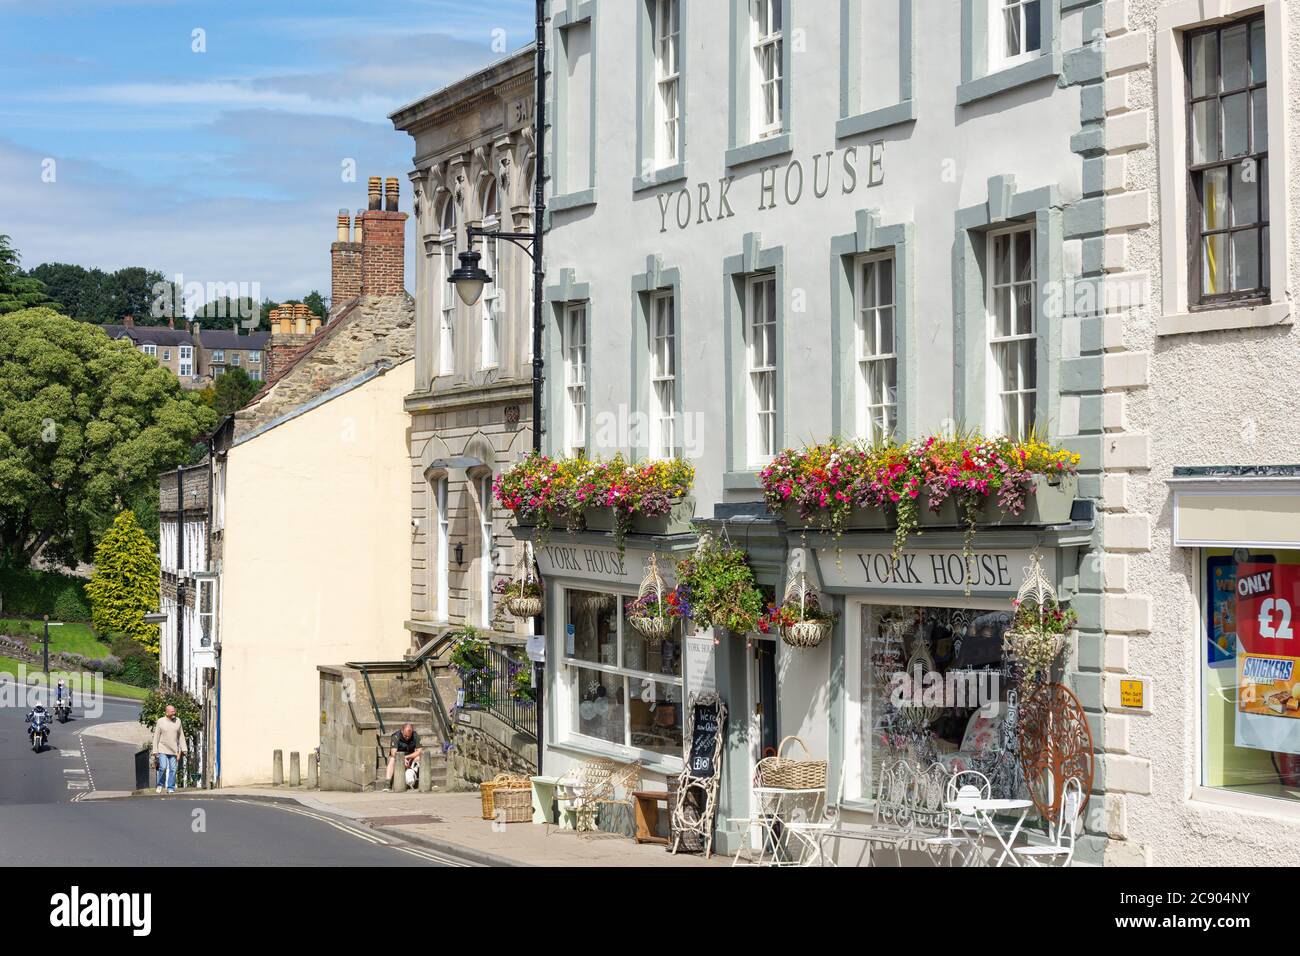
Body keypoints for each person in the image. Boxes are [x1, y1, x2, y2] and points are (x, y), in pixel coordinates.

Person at [152, 704, 187, 794]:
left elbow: (181, 735)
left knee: (173, 769)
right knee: (163, 767)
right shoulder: (160, 721)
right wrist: (155, 750)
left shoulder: (178, 721)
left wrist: (184, 748)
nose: (173, 712)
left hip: (174, 750)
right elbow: (156, 736)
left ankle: (170, 787)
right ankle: (160, 784)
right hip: (162, 748)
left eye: (174, 710)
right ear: (166, 712)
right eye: (171, 711)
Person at [384, 723, 422, 791]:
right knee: (392, 759)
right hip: (397, 758)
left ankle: (411, 778)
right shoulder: (396, 736)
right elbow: (393, 753)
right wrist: (402, 759)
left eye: (409, 736)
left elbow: (419, 751)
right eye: (405, 736)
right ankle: (387, 783)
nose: (407, 738)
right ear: (402, 731)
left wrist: (407, 757)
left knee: (418, 758)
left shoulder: (415, 735)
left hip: (409, 757)